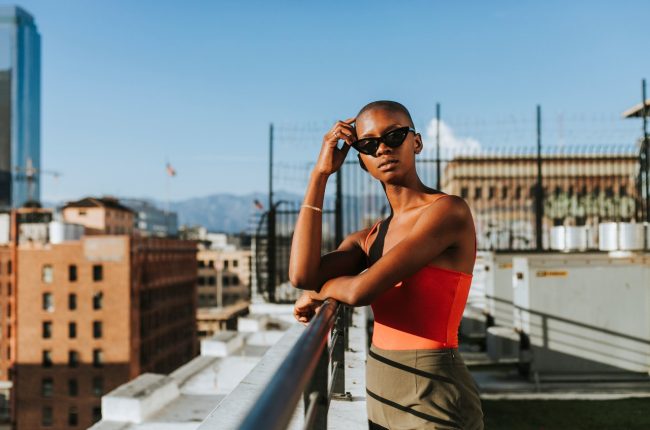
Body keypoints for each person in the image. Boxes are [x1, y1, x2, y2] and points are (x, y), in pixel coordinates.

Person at [289, 100, 484, 430]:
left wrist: (320, 293)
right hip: (380, 381)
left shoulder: (447, 212)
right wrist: (320, 174)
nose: (382, 149)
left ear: (416, 142)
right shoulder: (372, 236)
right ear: (362, 161)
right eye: (368, 144)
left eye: (394, 136)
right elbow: (301, 274)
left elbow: (362, 290)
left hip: (434, 388)